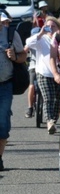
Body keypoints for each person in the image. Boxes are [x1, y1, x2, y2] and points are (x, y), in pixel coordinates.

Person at [26, 17, 60, 134]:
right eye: (48, 27)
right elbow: (28, 43)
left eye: (54, 27)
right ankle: (49, 121)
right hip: (44, 73)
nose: (51, 29)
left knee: (58, 100)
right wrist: (41, 33)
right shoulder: (42, 39)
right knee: (48, 98)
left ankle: (53, 120)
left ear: (58, 28)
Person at [0, 10, 26, 171]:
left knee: (2, 123)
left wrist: (14, 57)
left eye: (3, 22)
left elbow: (23, 55)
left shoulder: (10, 33)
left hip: (5, 84)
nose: (3, 24)